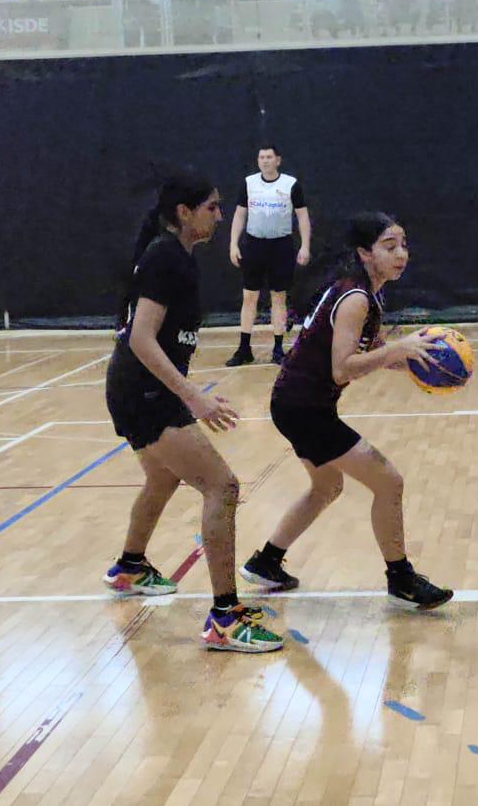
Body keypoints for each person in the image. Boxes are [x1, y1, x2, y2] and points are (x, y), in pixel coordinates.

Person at [103, 174, 285, 653]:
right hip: (145, 394)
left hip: (139, 390)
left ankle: (130, 567)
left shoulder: (175, 256)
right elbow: (141, 338)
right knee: (222, 486)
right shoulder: (164, 257)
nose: (220, 216)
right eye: (211, 207)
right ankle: (225, 618)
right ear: (183, 212)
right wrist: (194, 397)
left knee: (162, 478)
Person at [240, 213, 454, 611]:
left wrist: (415, 362)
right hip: (304, 408)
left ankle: (266, 561)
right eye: (389, 247)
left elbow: (367, 353)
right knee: (389, 482)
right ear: (365, 253)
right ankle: (401, 580)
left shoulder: (366, 293)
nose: (401, 254)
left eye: (403, 245)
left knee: (327, 487)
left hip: (299, 403)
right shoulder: (355, 298)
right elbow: (343, 368)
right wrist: (397, 349)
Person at [226, 146, 312, 367]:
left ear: (278, 160)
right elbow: (240, 214)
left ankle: (278, 348)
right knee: (249, 296)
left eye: (269, 157)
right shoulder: (249, 183)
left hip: (280, 246)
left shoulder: (291, 184)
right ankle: (244, 348)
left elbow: (302, 217)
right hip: (254, 245)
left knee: (278, 297)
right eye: (261, 157)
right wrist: (233, 244)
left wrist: (305, 246)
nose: (265, 161)